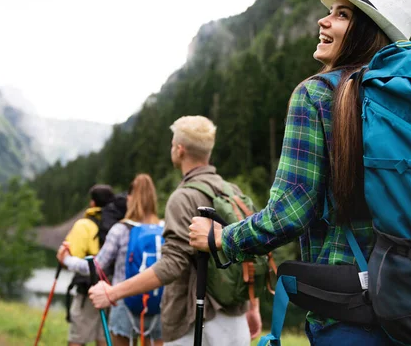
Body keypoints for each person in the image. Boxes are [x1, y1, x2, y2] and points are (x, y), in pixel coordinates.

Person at [188, 0, 411, 346]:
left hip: (351, 308)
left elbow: (290, 212)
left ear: (367, 31)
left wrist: (221, 239)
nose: (323, 20)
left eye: (342, 15)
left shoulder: (317, 94)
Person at [89, 115, 262, 346]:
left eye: (172, 144)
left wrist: (113, 293)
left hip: (196, 326)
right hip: (235, 320)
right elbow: (252, 252)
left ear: (180, 150)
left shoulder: (183, 198)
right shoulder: (231, 191)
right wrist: (253, 306)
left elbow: (172, 264)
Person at [57, 174, 164, 346]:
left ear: (130, 198)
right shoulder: (164, 228)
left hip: (123, 303)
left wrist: (67, 259)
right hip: (156, 304)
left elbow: (95, 267)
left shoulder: (120, 229)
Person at [59, 184, 115, 346]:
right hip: (113, 289)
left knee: (78, 338)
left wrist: (64, 258)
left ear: (92, 203)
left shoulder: (84, 225)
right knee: (104, 337)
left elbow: (71, 257)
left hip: (88, 289)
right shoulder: (119, 223)